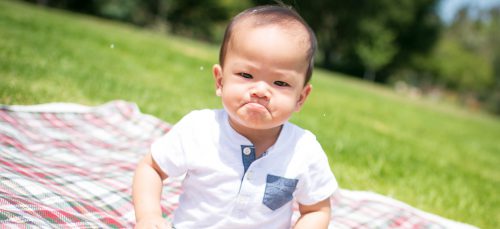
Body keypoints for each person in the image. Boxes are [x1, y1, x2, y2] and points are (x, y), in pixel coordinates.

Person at [132, 4, 338, 229]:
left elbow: (316, 209)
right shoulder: (199, 129)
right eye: (246, 75)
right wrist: (149, 216)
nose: (260, 90)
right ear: (220, 81)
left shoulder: (303, 150)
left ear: (301, 97)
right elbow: (151, 168)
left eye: (280, 83)